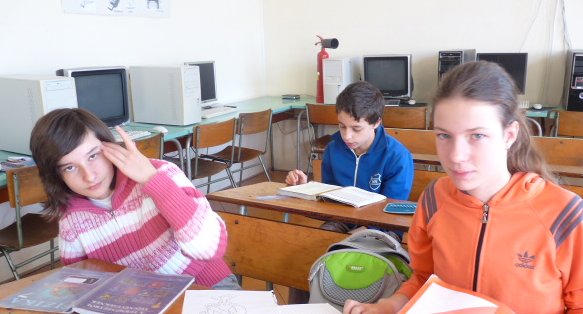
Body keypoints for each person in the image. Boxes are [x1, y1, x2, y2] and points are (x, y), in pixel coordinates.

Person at [342, 61, 583, 314]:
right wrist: (387, 306)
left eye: (477, 135)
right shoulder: (434, 199)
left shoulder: (565, 215)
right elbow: (425, 280)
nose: (456, 155)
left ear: (509, 134)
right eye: (444, 135)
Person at [30, 108, 240, 290]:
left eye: (93, 156)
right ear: (56, 175)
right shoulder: (71, 222)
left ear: (109, 146)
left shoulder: (162, 173)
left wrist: (153, 180)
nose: (89, 176)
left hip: (205, 286)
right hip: (147, 305)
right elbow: (80, 285)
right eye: (70, 167)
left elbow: (209, 249)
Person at [286, 80, 414, 235]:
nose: (347, 136)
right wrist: (304, 190)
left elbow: (392, 210)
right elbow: (330, 201)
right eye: (342, 126)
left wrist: (365, 230)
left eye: (356, 128)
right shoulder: (333, 149)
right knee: (320, 240)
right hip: (342, 220)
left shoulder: (397, 156)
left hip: (383, 226)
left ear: (376, 122)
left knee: (358, 246)